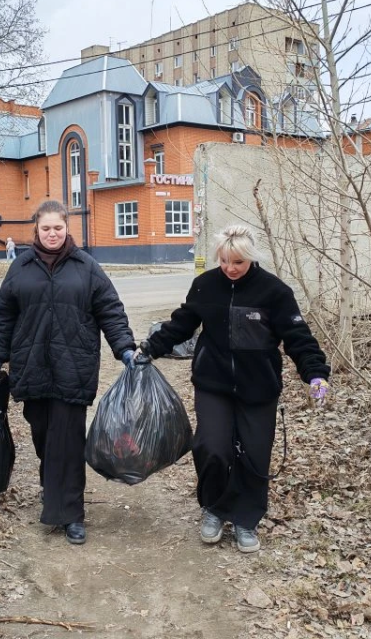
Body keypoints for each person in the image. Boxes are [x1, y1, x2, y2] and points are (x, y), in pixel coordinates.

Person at [137, 225, 330, 554]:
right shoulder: (205, 285)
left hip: (259, 388)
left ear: (250, 259)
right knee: (212, 447)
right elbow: (181, 323)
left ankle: (246, 519)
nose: (229, 268)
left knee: (255, 454)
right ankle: (213, 508)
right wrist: (148, 349)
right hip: (214, 383)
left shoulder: (274, 291)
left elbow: (298, 337)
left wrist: (315, 373)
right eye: (224, 260)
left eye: (237, 262)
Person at [0, 200, 136, 545]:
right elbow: (5, 318)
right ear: (37, 230)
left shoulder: (86, 267)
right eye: (46, 228)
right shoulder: (21, 266)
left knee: (69, 441)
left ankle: (71, 513)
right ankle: (54, 491)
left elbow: (110, 310)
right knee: (45, 439)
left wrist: (124, 349)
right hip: (31, 368)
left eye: (57, 228)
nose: (52, 234)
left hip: (73, 367)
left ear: (66, 228)